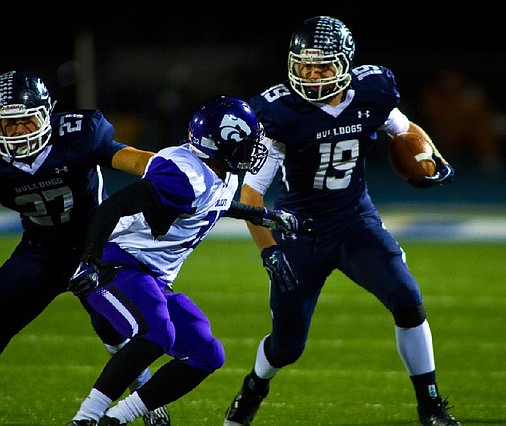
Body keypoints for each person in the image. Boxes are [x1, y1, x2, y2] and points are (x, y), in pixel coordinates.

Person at [222, 15, 460, 426]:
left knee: (408, 301)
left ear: (345, 64)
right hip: (299, 230)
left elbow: (406, 131)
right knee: (287, 347)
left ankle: (431, 406)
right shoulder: (281, 113)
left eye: (323, 66)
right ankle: (254, 387)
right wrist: (270, 252)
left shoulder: (372, 91)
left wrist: (432, 160)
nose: (312, 76)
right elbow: (251, 194)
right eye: (305, 66)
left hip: (355, 221)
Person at [65, 95, 310, 426]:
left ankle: (118, 418)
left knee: (206, 353)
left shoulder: (218, 173)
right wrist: (90, 262)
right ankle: (86, 418)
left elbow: (216, 203)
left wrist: (264, 216)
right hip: (118, 263)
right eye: (248, 140)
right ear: (226, 143)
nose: (254, 147)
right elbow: (113, 207)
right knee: (156, 332)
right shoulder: (185, 175)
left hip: (150, 277)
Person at [0, 70, 170, 426]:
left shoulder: (79, 135)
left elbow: (133, 159)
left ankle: (146, 391)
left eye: (26, 120)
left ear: (47, 113)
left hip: (96, 244)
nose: (18, 132)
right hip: (40, 249)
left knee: (115, 327)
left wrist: (174, 174)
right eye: (8, 124)